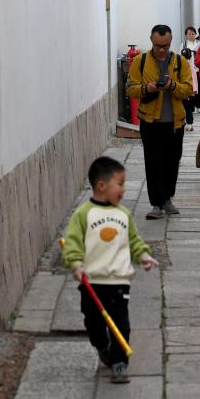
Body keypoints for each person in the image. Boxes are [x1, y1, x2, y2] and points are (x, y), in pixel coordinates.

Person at [62, 155, 159, 384]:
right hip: (92, 282)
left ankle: (119, 363)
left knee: (121, 324)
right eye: (120, 184)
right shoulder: (83, 214)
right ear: (101, 186)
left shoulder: (123, 215)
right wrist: (76, 264)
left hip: (118, 281)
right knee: (93, 324)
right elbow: (73, 243)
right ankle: (102, 346)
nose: (123, 189)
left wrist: (143, 256)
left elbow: (134, 240)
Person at [126, 25, 194, 220]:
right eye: (158, 46)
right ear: (151, 40)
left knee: (172, 162)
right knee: (153, 162)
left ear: (171, 42)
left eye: (166, 46)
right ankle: (156, 204)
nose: (162, 50)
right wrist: (146, 89)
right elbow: (130, 88)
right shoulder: (140, 61)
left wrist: (172, 86)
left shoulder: (180, 62)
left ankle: (167, 199)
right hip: (150, 121)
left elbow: (188, 90)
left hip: (175, 122)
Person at [180, 25, 199, 129]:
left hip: (195, 71)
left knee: (189, 102)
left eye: (192, 33)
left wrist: (195, 88)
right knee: (186, 103)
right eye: (189, 33)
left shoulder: (198, 44)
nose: (191, 35)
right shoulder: (183, 45)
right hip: (184, 82)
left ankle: (189, 121)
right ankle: (188, 121)